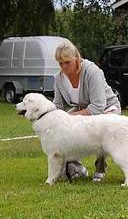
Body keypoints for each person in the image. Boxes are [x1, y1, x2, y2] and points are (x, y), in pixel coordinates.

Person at [52, 40, 122, 182]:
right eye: (60, 63)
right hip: (82, 108)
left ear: (76, 58)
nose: (63, 67)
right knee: (63, 129)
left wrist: (69, 117)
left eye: (67, 62)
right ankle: (75, 167)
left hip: (106, 108)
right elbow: (57, 106)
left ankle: (100, 167)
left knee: (100, 130)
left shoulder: (92, 71)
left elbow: (97, 107)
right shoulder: (58, 78)